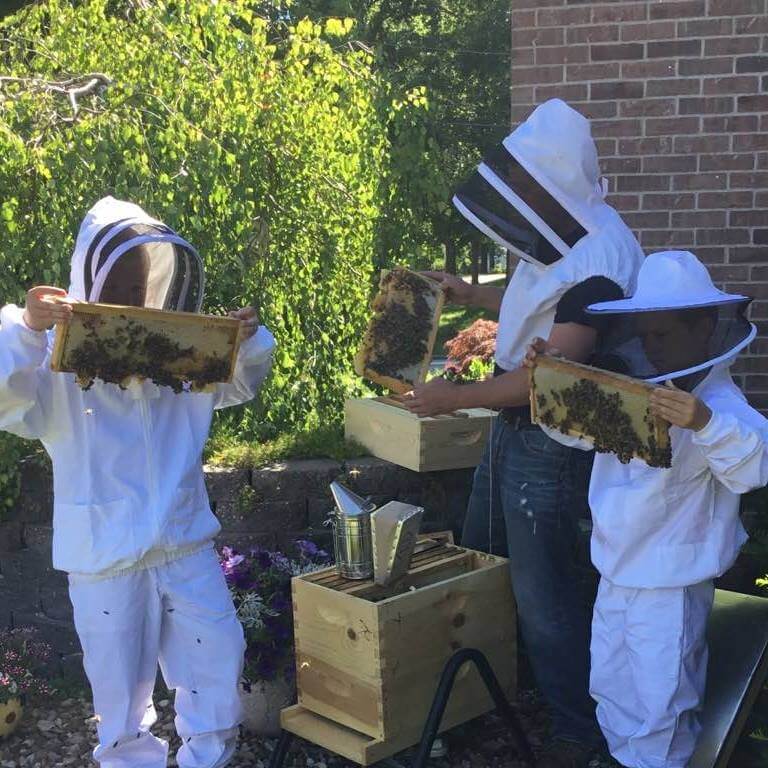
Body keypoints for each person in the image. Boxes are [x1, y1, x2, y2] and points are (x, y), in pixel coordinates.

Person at [404, 99, 645, 767]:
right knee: (483, 555)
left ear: (558, 181)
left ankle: (576, 731)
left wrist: (453, 400)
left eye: (533, 184)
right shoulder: (568, 233)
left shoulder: (602, 259)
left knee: (546, 595)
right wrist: (476, 299)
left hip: (555, 442)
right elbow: (540, 290)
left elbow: (553, 377)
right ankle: (491, 695)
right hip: (517, 428)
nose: (523, 196)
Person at [0, 196, 276, 768]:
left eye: (138, 285)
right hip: (105, 554)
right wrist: (27, 329)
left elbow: (240, 382)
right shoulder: (53, 365)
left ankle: (211, 760)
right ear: (91, 279)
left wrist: (243, 341)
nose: (129, 300)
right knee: (121, 701)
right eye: (118, 287)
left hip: (185, 540)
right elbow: (7, 399)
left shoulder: (176, 356)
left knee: (217, 661)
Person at [526, 250, 768, 768]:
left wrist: (704, 424)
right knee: (612, 690)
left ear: (704, 327)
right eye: (644, 334)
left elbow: (753, 467)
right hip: (615, 572)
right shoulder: (640, 391)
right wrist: (548, 383)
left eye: (662, 336)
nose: (649, 348)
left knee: (663, 709)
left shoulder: (721, 406)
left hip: (671, 591)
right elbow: (577, 433)